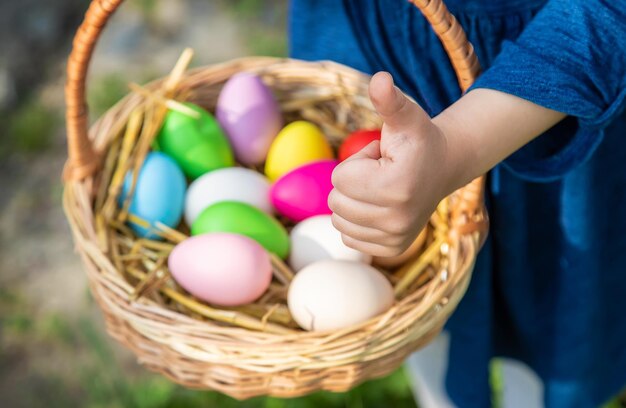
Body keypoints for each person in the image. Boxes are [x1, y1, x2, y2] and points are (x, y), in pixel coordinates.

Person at [289, 1, 626, 407]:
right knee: (429, 302)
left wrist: (453, 151)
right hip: (383, 51)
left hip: (554, 84)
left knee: (553, 324)